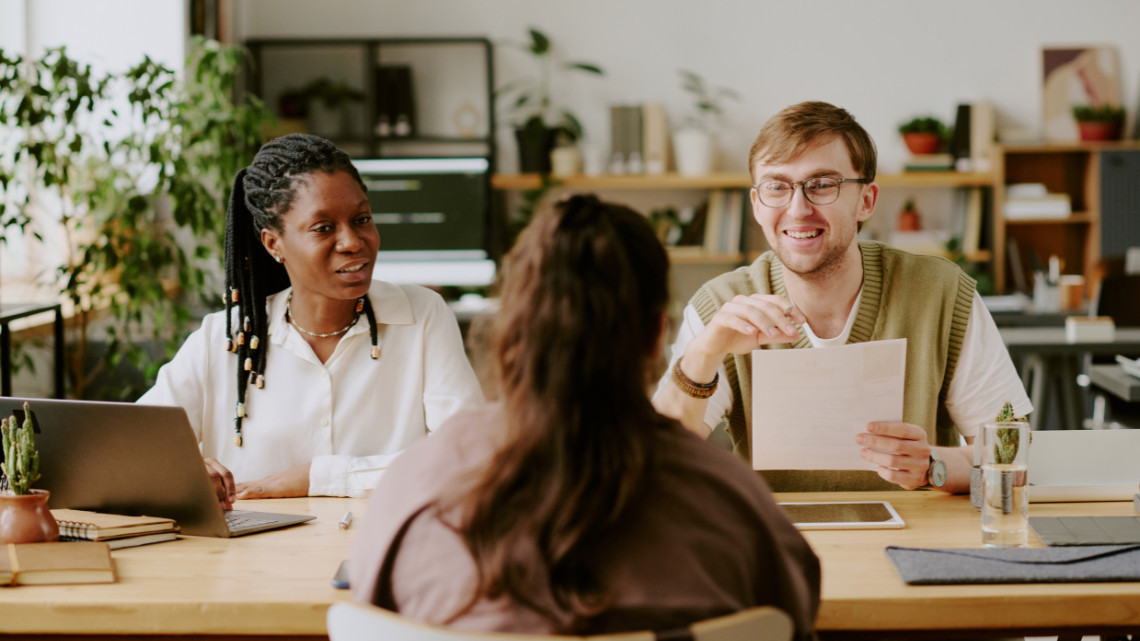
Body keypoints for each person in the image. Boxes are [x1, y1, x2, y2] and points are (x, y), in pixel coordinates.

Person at [350, 195, 820, 637]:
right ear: (657, 333)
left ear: (512, 325)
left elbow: (369, 614)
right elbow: (792, 618)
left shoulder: (416, 484)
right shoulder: (730, 499)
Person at [653, 101, 1031, 494]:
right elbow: (657, 462)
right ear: (756, 205)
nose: (798, 209)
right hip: (778, 543)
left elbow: (1015, 449)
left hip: (914, 542)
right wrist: (703, 356)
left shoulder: (941, 293)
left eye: (822, 185)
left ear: (866, 200)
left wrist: (934, 465)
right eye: (777, 187)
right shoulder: (720, 306)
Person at [139, 134, 483, 504]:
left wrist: (317, 477)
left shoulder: (423, 316)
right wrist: (184, 471)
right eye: (323, 228)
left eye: (362, 219)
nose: (352, 241)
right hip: (251, 561)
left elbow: (469, 457)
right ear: (274, 244)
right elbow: (130, 448)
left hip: (378, 556)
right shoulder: (220, 340)